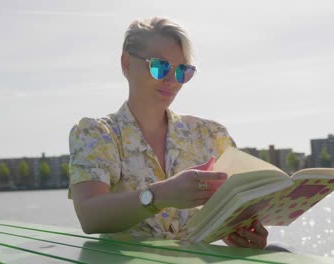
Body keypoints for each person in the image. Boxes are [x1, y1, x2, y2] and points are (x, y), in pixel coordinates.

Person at [68, 17, 268, 249]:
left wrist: (246, 236)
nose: (172, 80)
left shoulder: (211, 135)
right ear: (126, 63)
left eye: (183, 71)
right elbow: (90, 217)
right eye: (159, 66)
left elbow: (230, 214)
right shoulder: (96, 134)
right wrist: (160, 195)